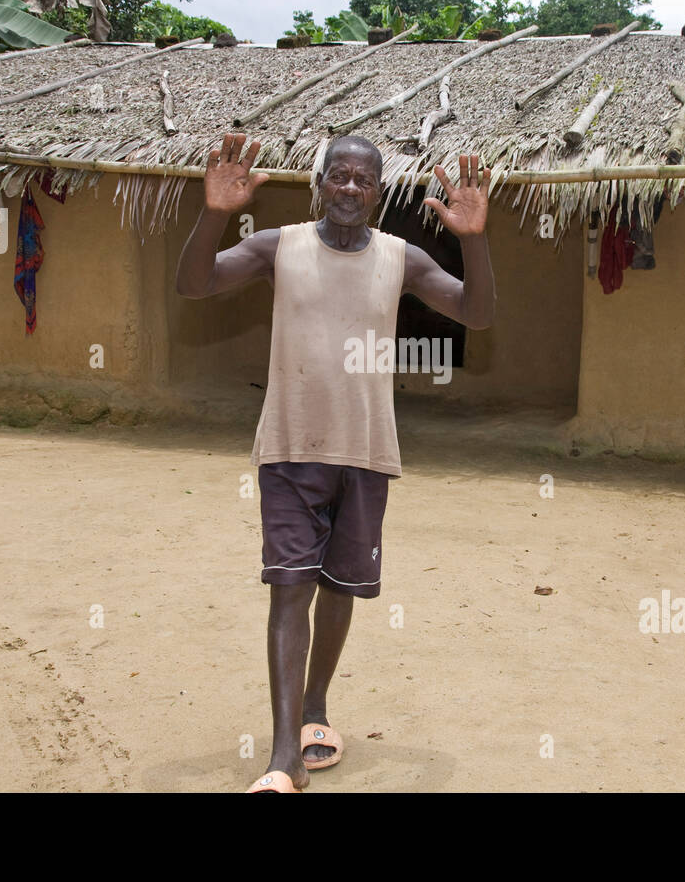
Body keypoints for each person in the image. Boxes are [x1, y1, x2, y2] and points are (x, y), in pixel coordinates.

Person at [176, 132, 495, 791]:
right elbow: (194, 282)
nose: (351, 188)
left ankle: (316, 707)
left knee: (339, 588)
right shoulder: (279, 247)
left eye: (364, 180)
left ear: (379, 193)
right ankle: (282, 756)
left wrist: (473, 239)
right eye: (339, 176)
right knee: (290, 589)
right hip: (290, 449)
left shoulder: (399, 258)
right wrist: (213, 212)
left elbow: (478, 313)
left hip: (366, 451)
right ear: (318, 183)